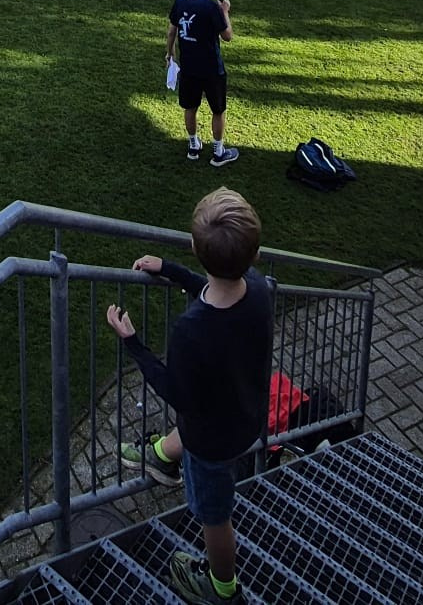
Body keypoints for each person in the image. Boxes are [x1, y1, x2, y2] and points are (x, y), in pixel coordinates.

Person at [106, 188, 271, 605]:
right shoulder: (259, 289)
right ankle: (162, 455)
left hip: (213, 442)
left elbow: (176, 392)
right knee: (194, 431)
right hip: (244, 414)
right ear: (253, 255)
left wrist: (133, 344)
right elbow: (218, 286)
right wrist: (172, 271)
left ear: (197, 249)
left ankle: (222, 587)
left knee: (215, 518)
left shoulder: (193, 329)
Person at [168, 0, 237, 166]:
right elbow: (227, 36)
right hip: (211, 68)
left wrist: (169, 53)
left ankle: (193, 146)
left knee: (190, 106)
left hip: (188, 67)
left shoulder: (181, 1)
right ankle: (218, 152)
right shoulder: (211, 8)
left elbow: (172, 30)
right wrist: (225, 12)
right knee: (218, 109)